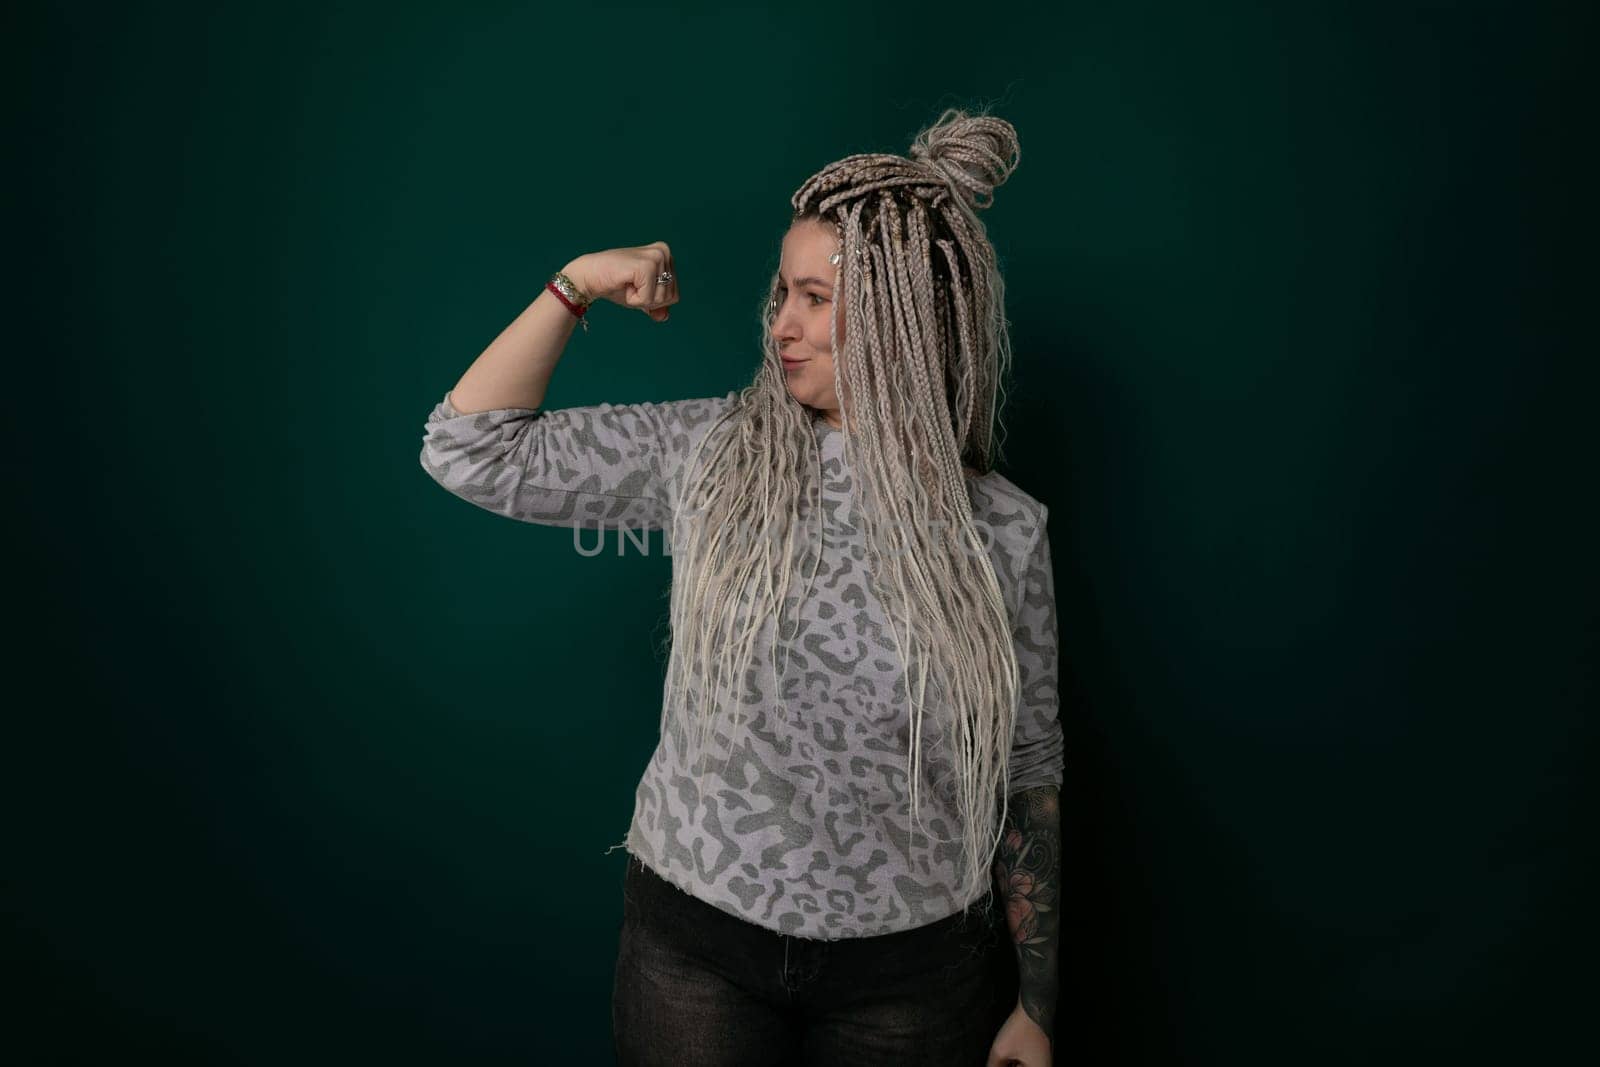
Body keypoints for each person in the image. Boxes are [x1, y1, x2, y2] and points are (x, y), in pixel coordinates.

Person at [419, 109, 1063, 1067]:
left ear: (899, 314)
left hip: (917, 978)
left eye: (812, 296)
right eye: (781, 291)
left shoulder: (1004, 527)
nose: (779, 322)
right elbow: (468, 448)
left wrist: (1039, 1004)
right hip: (696, 952)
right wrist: (579, 282)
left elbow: (1029, 771)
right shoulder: (714, 454)